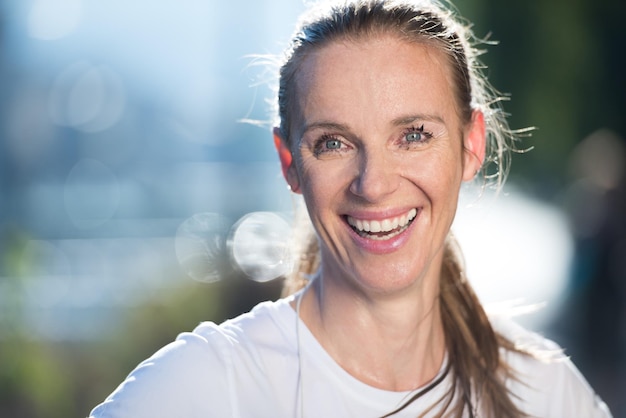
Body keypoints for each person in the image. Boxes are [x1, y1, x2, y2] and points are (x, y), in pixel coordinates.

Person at [89, 0, 612, 417]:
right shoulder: (206, 390)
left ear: (470, 145)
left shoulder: (545, 393)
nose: (374, 184)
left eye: (413, 135)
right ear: (289, 162)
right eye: (333, 143)